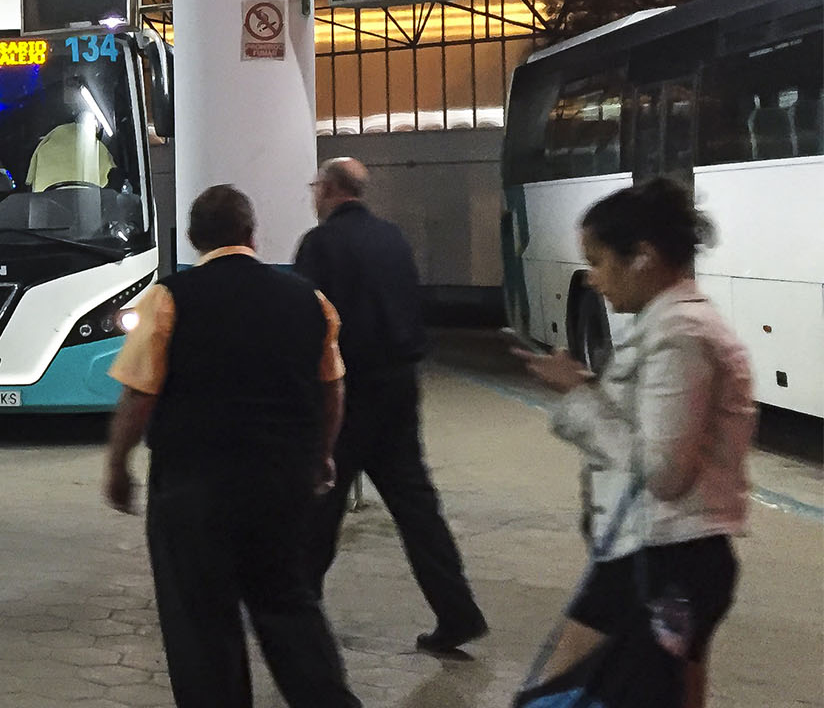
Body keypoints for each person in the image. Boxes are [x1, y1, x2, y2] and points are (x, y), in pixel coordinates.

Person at [103, 185, 360, 708]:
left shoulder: (169, 297)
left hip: (193, 488)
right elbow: (332, 387)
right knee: (290, 605)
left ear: (195, 239)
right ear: (252, 234)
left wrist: (118, 465)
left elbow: (138, 394)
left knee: (200, 621)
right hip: (283, 484)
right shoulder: (308, 299)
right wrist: (321, 454)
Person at [514, 178, 754, 708]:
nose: (594, 280)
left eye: (598, 261)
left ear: (642, 257)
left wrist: (577, 392)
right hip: (673, 556)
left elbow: (663, 470)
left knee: (558, 694)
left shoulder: (680, 335)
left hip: (661, 560)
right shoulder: (672, 324)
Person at [295, 157, 488, 654]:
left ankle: (297, 610)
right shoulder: (393, 238)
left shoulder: (320, 245)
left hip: (348, 390)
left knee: (320, 501)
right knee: (416, 506)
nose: (313, 195)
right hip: (400, 387)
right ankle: (457, 612)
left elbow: (309, 322)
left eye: (316, 186)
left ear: (332, 190)